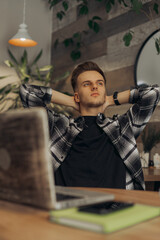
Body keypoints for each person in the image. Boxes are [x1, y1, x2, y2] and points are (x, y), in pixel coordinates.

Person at [19, 61, 160, 190]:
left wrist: (111, 99)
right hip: (67, 208)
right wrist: (70, 100)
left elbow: (153, 93)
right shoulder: (60, 126)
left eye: (100, 83)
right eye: (86, 84)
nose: (94, 86)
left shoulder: (123, 126)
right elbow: (28, 93)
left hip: (115, 210)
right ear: (77, 96)